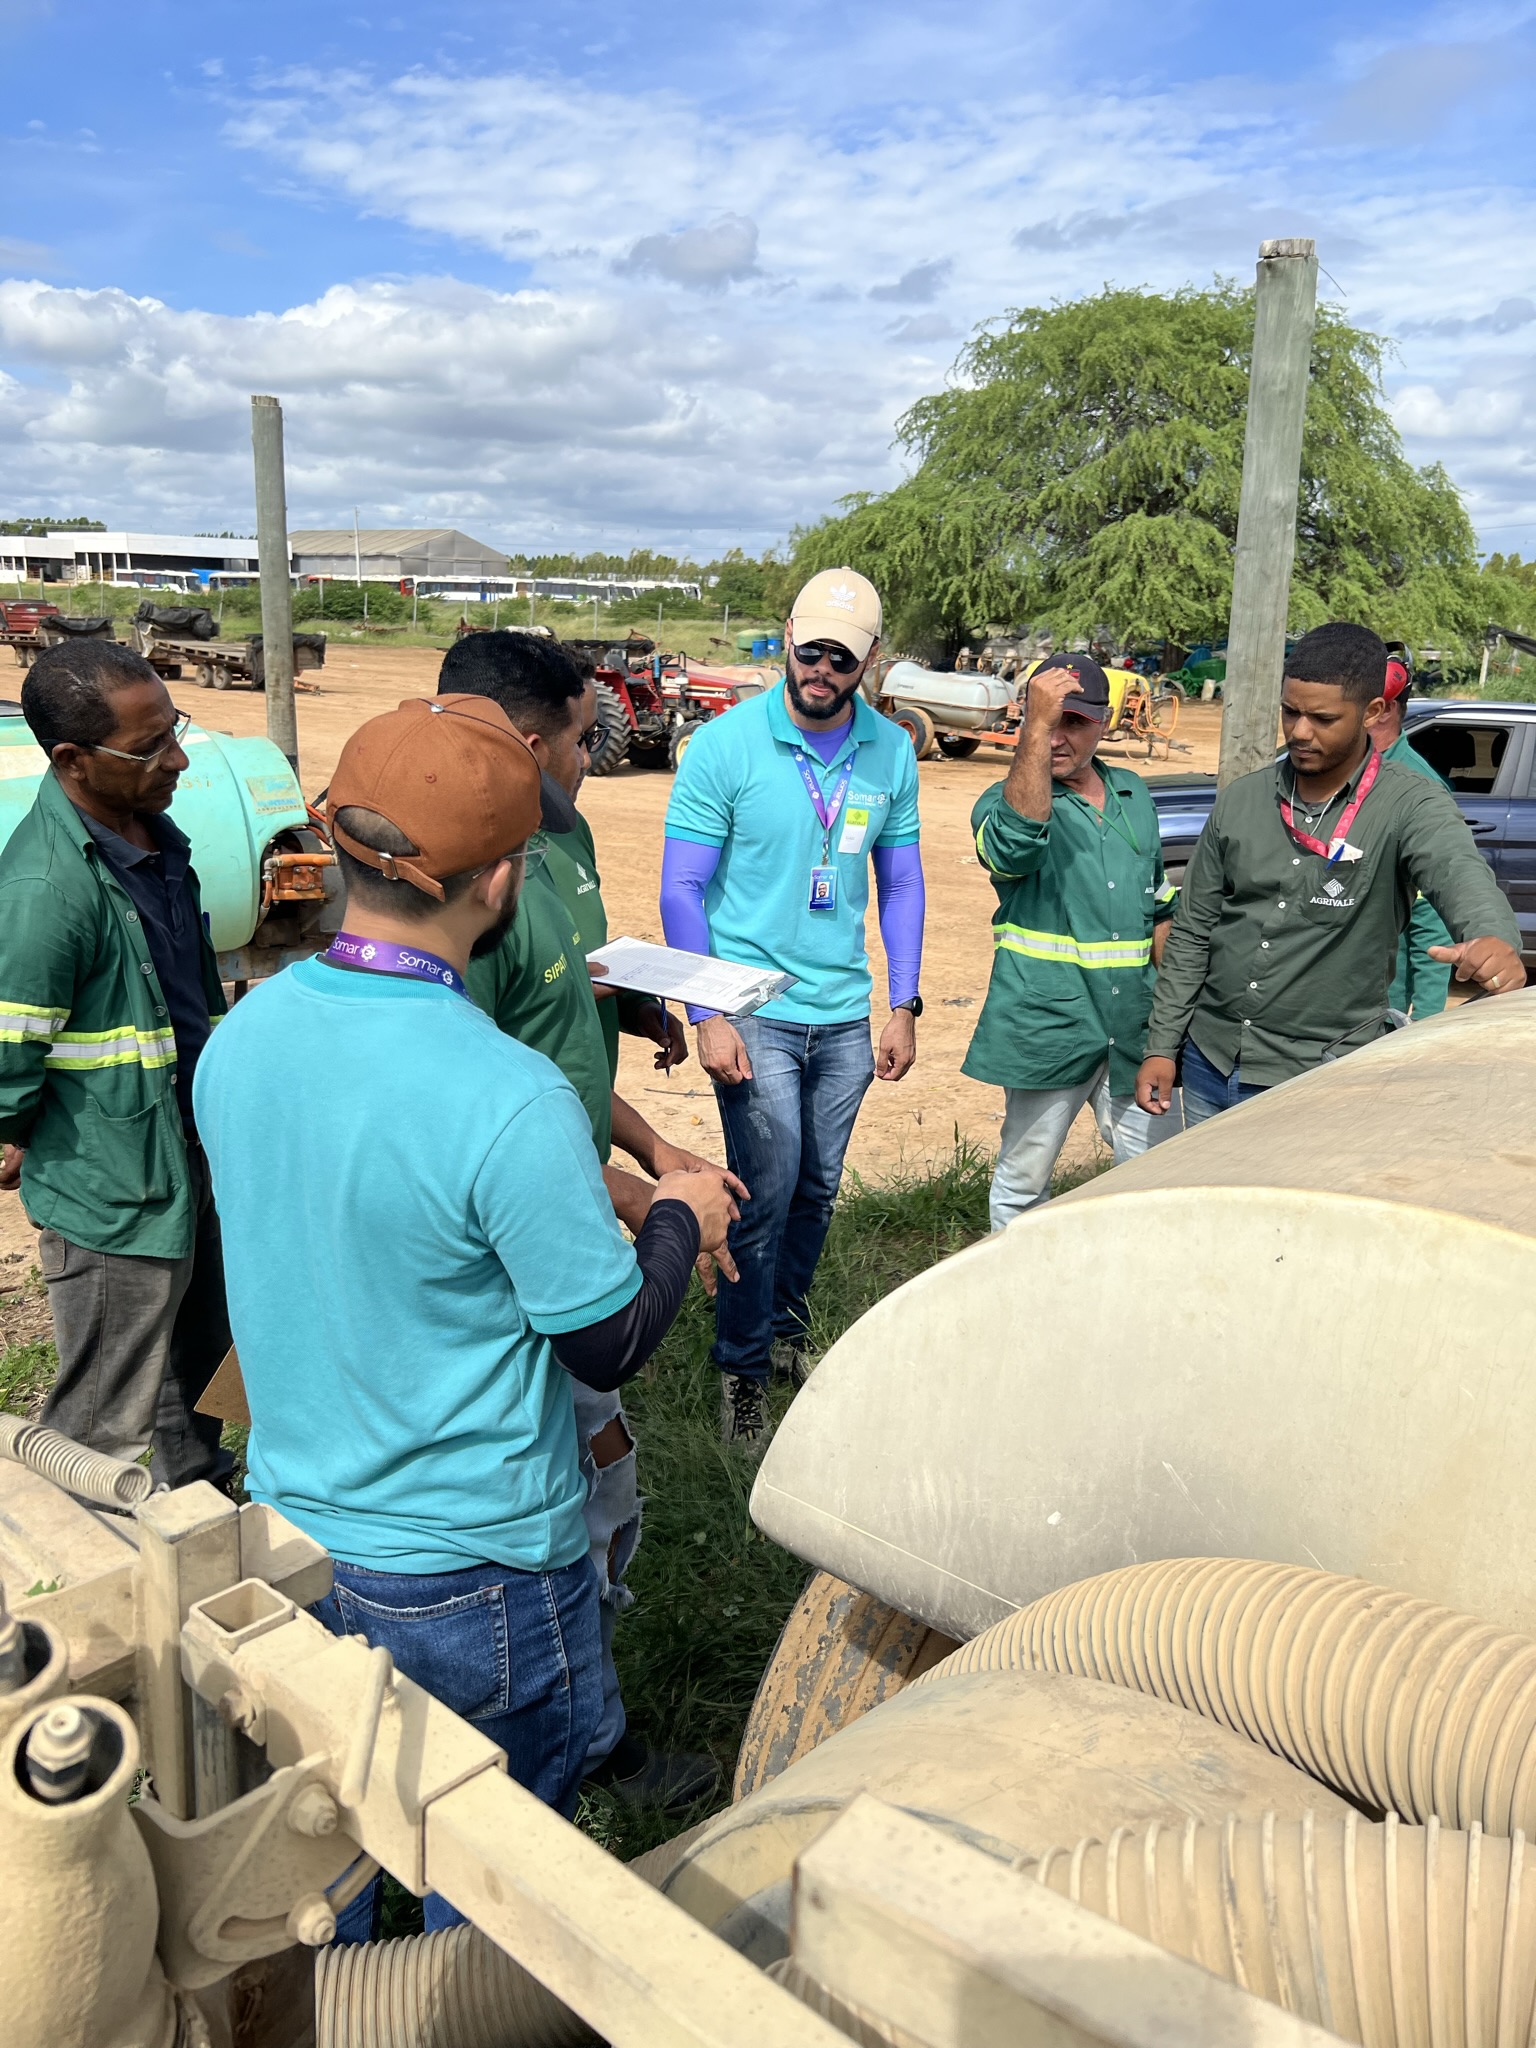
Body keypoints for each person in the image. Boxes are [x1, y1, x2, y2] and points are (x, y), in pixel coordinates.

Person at [194, 694, 735, 1935]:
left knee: (330, 1851)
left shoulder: (246, 1032)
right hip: (475, 1567)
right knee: (484, 1884)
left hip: (292, 1531)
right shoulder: (509, 1093)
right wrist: (677, 1212)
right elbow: (607, 1341)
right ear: (500, 882)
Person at [437, 630, 736, 1813]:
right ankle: (569, 1749)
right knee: (573, 1481)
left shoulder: (555, 836)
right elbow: (497, 1105)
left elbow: (560, 1022)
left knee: (589, 1470)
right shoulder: (464, 880)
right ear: (526, 742)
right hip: (523, 1237)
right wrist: (656, 1204)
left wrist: (650, 1128)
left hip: (559, 1199)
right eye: (575, 739)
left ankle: (571, 1710)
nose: (589, 758)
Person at [661, 567, 925, 1454]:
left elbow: (899, 880)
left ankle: (784, 1338)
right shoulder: (724, 747)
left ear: (871, 661)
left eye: (841, 658)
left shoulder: (890, 752)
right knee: (765, 1193)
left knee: (816, 1191)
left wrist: (904, 1003)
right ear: (786, 639)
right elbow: (684, 887)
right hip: (754, 1011)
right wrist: (709, 1013)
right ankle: (740, 1371)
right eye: (809, 650)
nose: (821, 670)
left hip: (845, 1017)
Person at [0, 641, 231, 1488]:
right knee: (100, 1420)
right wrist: (27, 1134)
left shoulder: (158, 845)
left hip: (184, 1160)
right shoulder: (45, 891)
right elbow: (4, 1064)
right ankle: (70, 1571)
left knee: (195, 1380)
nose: (175, 760)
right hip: (111, 1191)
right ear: (71, 760)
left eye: (176, 732)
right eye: (149, 748)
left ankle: (196, 1529)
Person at [1137, 622, 1524, 1125]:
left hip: (1319, 1078)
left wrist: (1493, 938)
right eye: (1290, 711)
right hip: (1212, 1060)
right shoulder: (1242, 799)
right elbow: (1192, 933)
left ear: (1374, 712)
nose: (1299, 732)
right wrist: (1163, 1046)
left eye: (1322, 718)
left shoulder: (1410, 803)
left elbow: (1459, 870)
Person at [961, 656, 1180, 1229]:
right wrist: (1032, 730)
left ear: (1104, 722)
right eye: (1045, 721)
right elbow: (1014, 847)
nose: (1058, 738)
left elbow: (1159, 910)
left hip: (1134, 1027)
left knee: (1157, 1179)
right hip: (1048, 1029)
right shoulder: (1004, 801)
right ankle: (1012, 1294)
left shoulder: (1132, 794)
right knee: (1023, 1185)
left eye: (1073, 722)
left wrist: (1176, 1017)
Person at [1366, 650, 1453, 1020]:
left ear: (1382, 710)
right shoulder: (1334, 776)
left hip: (1375, 1009)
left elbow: (1432, 915)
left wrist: (1426, 1020)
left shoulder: (1418, 789)